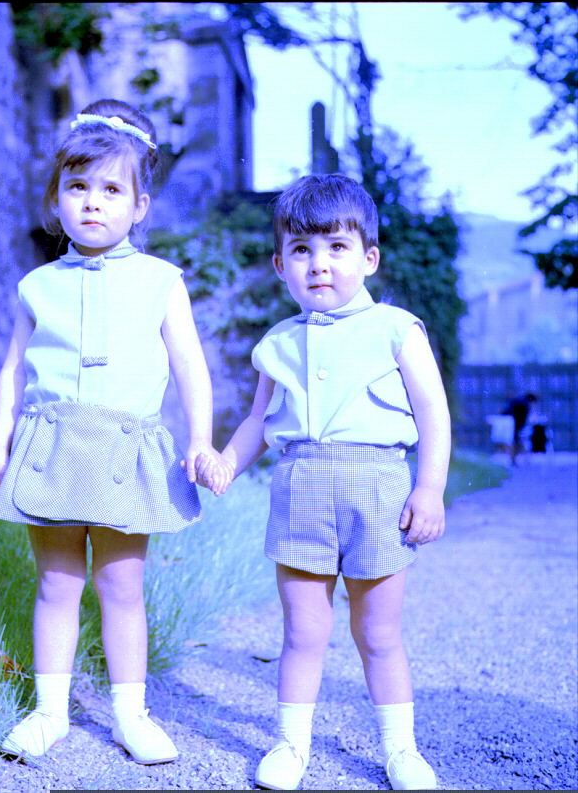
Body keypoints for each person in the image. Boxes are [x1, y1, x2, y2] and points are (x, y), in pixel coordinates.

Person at [0, 99, 226, 765]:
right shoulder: (37, 286)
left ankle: (129, 713)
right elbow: (12, 371)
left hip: (125, 449)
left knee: (121, 585)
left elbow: (190, 366)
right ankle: (49, 712)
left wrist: (200, 440)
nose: (93, 202)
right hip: (52, 446)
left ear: (140, 205)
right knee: (57, 583)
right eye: (78, 186)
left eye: (112, 189)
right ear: (55, 198)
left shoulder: (160, 282)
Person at [196, 174, 451, 790]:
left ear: (369, 258)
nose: (319, 264)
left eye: (337, 247)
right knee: (303, 630)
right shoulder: (277, 343)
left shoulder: (397, 329)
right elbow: (259, 421)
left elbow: (433, 414)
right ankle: (291, 745)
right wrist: (226, 462)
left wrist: (429, 488)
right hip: (301, 489)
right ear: (280, 265)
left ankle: (401, 750)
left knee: (378, 632)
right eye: (302, 250)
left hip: (378, 488)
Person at [501, 392, 538, 465]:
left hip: (511, 424)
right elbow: (522, 418)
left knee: (514, 441)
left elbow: (507, 411)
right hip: (515, 425)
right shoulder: (525, 404)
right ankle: (513, 460)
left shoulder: (518, 401)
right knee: (515, 442)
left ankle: (513, 460)